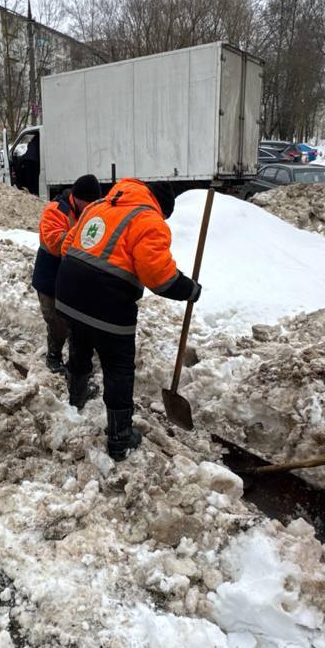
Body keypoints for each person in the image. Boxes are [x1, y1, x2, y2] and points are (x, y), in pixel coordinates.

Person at [55, 178, 200, 460]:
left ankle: (76, 395)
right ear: (162, 208)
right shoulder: (149, 220)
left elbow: (67, 245)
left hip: (68, 290)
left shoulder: (99, 205)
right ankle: (120, 438)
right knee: (118, 365)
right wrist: (189, 289)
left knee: (81, 339)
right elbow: (160, 278)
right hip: (108, 300)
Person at [32, 174, 102, 373]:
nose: (90, 207)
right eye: (87, 203)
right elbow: (55, 243)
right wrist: (84, 235)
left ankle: (76, 363)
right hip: (50, 277)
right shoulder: (55, 211)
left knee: (75, 324)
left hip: (73, 278)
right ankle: (53, 356)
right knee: (56, 322)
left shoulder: (90, 211)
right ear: (77, 197)